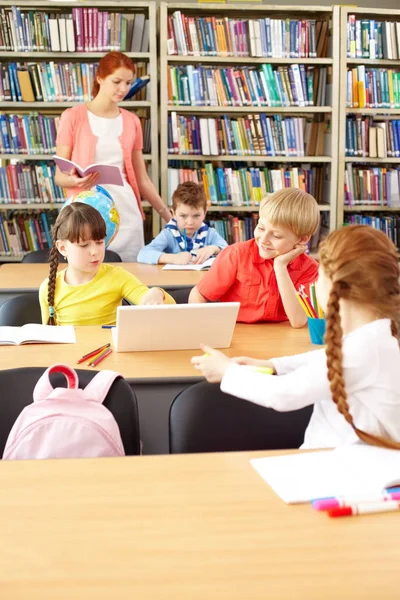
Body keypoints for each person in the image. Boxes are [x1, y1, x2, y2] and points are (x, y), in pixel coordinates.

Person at [191, 225, 400, 450]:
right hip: (348, 465)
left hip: (347, 472)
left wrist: (226, 371)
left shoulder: (364, 348)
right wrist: (274, 365)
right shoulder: (378, 336)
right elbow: (325, 359)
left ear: (333, 286)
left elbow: (282, 395)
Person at [54, 51, 172, 262]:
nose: (124, 89)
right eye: (117, 81)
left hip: (126, 213)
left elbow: (142, 178)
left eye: (128, 83)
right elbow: (59, 177)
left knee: (128, 279)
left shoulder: (132, 121)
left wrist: (169, 217)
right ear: (100, 78)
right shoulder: (73, 116)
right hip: (87, 213)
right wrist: (76, 180)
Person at [188, 188, 320, 327]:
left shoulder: (310, 269)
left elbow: (298, 321)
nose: (263, 240)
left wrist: (280, 267)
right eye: (261, 228)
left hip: (282, 342)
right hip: (237, 338)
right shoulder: (236, 255)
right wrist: (201, 327)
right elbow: (199, 294)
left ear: (303, 239)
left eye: (276, 236)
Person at [39, 203, 175, 326]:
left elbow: (158, 302)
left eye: (99, 242)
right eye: (84, 245)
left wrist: (158, 293)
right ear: (62, 248)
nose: (94, 251)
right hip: (71, 353)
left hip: (110, 352)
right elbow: (49, 339)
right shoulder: (48, 287)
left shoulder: (118, 276)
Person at [137, 181, 228, 265]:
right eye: (183, 216)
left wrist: (213, 249)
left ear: (204, 213)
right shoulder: (168, 234)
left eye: (196, 216)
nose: (190, 222)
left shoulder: (210, 234)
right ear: (173, 213)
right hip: (175, 281)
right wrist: (172, 258)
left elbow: (229, 251)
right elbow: (143, 254)